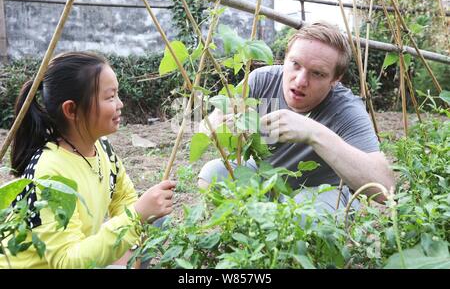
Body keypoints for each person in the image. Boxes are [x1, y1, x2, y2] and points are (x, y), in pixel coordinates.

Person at [0, 52, 175, 269]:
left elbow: (125, 201)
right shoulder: (49, 171)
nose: (120, 104)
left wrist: (138, 215)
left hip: (80, 258)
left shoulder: (102, 149)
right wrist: (136, 215)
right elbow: (66, 261)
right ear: (71, 109)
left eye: (117, 95)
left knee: (154, 219)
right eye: (110, 97)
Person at [198, 22, 394, 212]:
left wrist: (313, 132)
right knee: (212, 174)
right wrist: (220, 125)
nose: (300, 81)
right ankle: (246, 233)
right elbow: (206, 126)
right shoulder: (262, 80)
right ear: (284, 59)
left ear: (335, 80)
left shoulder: (345, 109)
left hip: (319, 192)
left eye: (317, 73)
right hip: (264, 177)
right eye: (295, 64)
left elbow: (386, 190)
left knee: (304, 211)